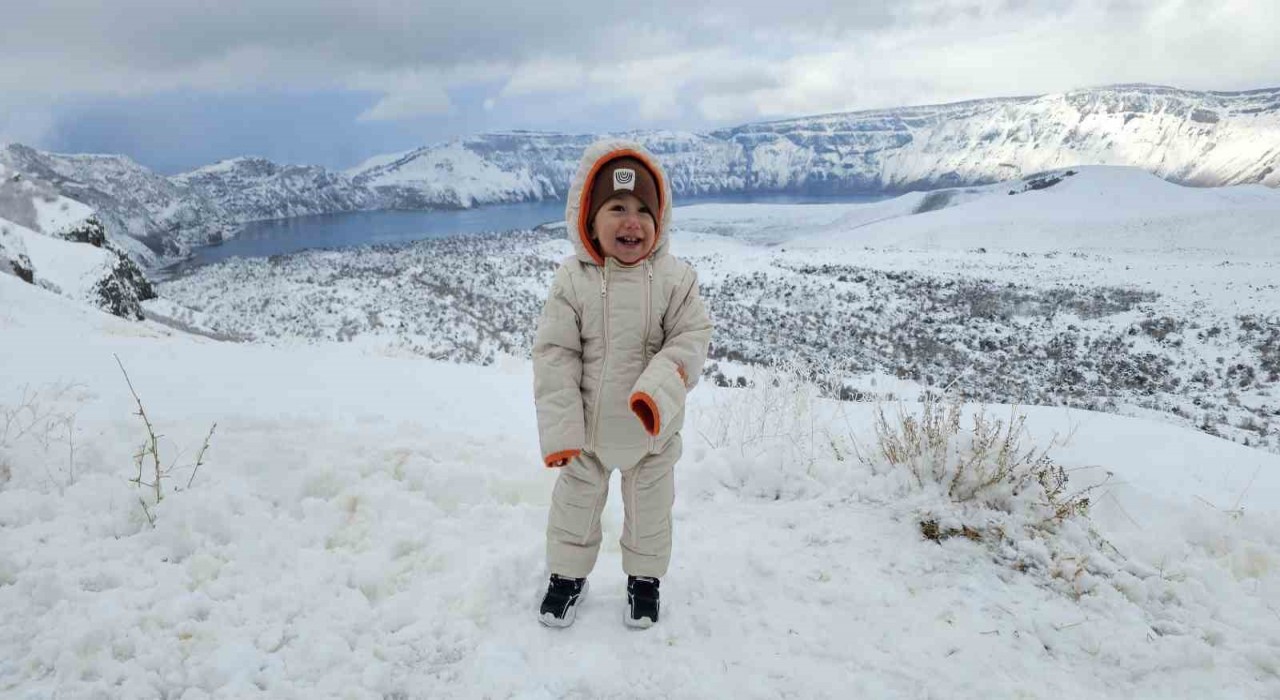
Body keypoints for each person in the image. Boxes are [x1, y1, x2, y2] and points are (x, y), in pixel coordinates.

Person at [532, 139, 712, 629]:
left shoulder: (676, 280)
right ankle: (567, 577)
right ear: (589, 219)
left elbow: (691, 338)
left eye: (643, 211)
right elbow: (555, 356)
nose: (632, 221)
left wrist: (657, 389)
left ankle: (644, 581)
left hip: (651, 434)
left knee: (650, 516)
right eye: (616, 208)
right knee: (573, 510)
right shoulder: (573, 281)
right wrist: (562, 431)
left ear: (660, 223)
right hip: (588, 437)